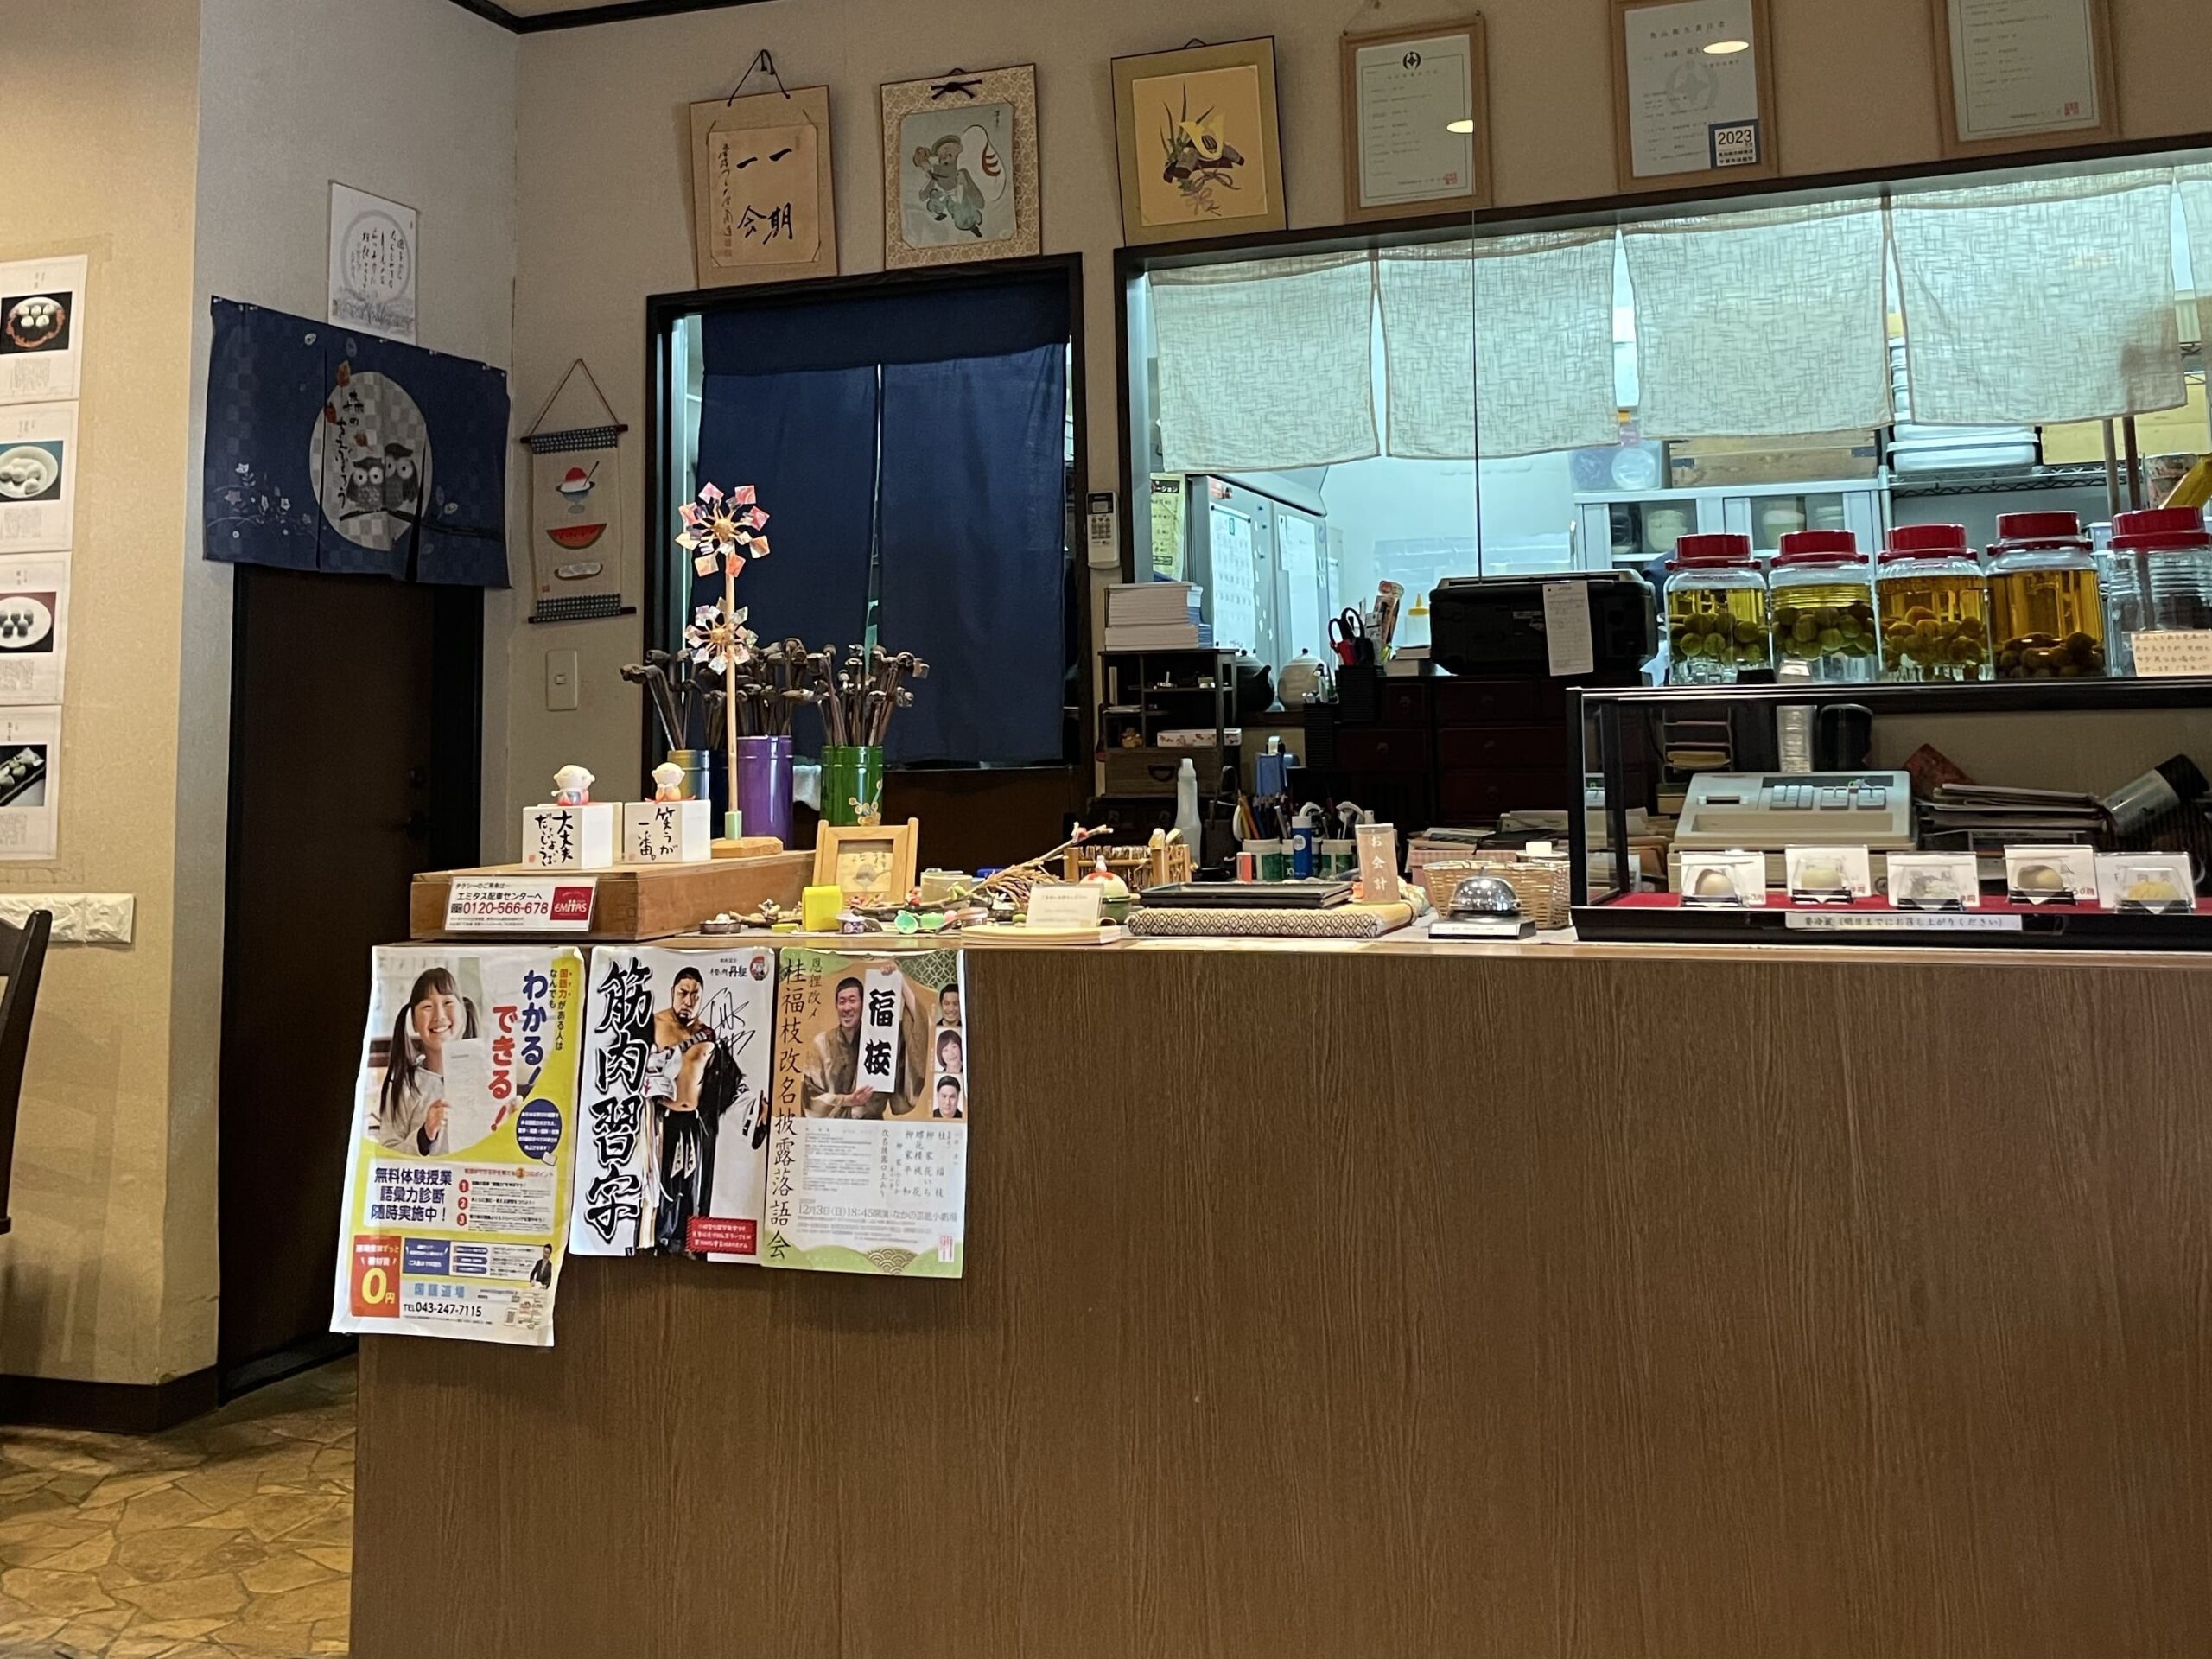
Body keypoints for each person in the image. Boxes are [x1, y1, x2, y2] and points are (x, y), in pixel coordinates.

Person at [651, 966, 738, 1255]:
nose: (688, 1001)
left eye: (695, 996)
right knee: (660, 1183)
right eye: (683, 993)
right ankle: (656, 1242)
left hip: (694, 1121)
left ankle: (685, 1244)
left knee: (691, 1185)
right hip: (661, 1119)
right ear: (672, 992)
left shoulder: (707, 1034)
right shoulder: (655, 1024)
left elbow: (724, 1079)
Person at [373, 967, 476, 1155]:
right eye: (427, 1007)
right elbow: (388, 1153)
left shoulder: (487, 1078)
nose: (439, 1016)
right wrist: (425, 1135)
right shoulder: (403, 1085)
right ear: (413, 1021)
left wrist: (512, 1122)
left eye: (448, 1002)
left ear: (463, 1013)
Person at [801, 974, 927, 1118]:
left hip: (871, 1127)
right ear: (836, 1006)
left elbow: (918, 1026)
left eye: (852, 1001)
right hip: (831, 1129)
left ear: (863, 1004)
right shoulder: (821, 1044)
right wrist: (848, 1100)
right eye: (842, 1002)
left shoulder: (880, 1041)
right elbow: (811, 1099)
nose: (847, 1008)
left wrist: (900, 980)